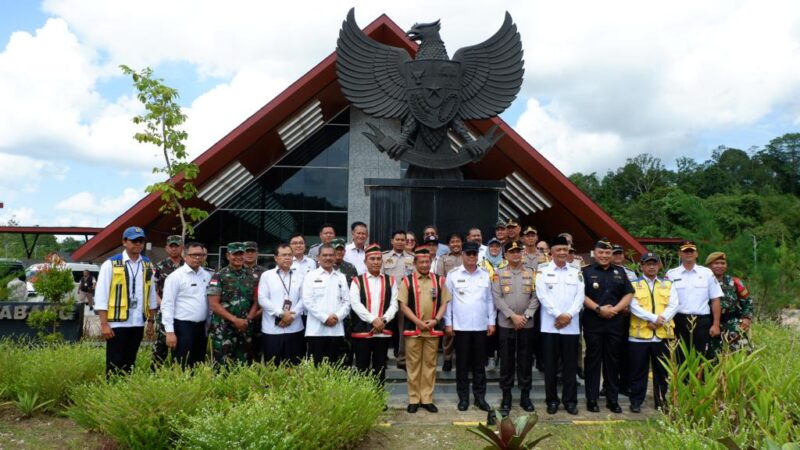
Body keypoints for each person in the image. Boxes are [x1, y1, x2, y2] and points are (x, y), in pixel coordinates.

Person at [94, 226, 158, 375]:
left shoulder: (147, 264)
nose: (138, 244)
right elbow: (101, 295)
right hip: (117, 323)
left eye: (141, 241)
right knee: (114, 362)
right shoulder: (111, 264)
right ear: (124, 242)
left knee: (130, 361)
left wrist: (150, 321)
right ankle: (112, 387)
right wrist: (104, 324)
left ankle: (126, 387)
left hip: (137, 322)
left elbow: (151, 293)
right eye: (134, 241)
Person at [581, 239, 635, 414]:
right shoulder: (586, 271)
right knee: (593, 360)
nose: (604, 256)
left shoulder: (620, 272)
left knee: (613, 361)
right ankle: (592, 398)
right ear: (594, 253)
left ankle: (613, 399)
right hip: (593, 322)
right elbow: (581, 295)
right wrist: (599, 309)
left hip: (614, 323)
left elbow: (629, 293)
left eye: (607, 253)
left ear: (611, 254)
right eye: (601, 252)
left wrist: (615, 309)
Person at [444, 241, 496, 412]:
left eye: (474, 254)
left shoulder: (485, 275)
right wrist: (448, 323)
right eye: (469, 254)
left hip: (481, 326)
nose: (472, 257)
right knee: (462, 365)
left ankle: (480, 398)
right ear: (463, 255)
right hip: (461, 326)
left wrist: (491, 321)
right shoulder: (453, 275)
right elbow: (448, 301)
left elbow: (490, 300)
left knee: (479, 365)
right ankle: (463, 398)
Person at [535, 235, 584, 415]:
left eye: (565, 249)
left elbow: (580, 296)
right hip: (550, 326)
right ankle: (552, 400)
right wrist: (558, 315)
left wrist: (568, 315)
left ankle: (570, 401)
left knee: (570, 366)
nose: (562, 252)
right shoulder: (542, 271)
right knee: (550, 366)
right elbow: (542, 295)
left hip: (571, 326)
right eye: (559, 249)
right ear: (551, 252)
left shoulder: (576, 272)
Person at [399, 247, 449, 413]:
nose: (425, 265)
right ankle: (414, 399)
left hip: (432, 330)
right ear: (415, 263)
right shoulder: (407, 281)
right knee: (413, 365)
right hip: (414, 329)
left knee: (430, 365)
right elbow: (403, 305)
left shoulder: (439, 281)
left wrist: (436, 320)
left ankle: (427, 399)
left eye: (427, 262)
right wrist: (418, 322)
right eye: (421, 262)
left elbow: (444, 303)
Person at [493, 240, 539, 416]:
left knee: (525, 360)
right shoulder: (498, 274)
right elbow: (497, 297)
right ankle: (506, 396)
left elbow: (536, 296)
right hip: (506, 324)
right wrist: (512, 316)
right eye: (512, 252)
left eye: (518, 251)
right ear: (505, 255)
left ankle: (525, 396)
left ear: (522, 253)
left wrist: (526, 316)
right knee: (506, 361)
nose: (515, 254)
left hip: (526, 324)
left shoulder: (531, 273)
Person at [628, 252, 678, 412]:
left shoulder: (668, 284)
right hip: (639, 336)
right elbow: (633, 306)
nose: (651, 267)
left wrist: (660, 320)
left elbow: (674, 305)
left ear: (659, 266)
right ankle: (636, 402)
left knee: (662, 372)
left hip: (662, 335)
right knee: (638, 372)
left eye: (654, 264)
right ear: (641, 266)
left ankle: (661, 401)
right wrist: (653, 318)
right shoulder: (634, 284)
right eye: (648, 264)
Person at [349, 243, 399, 385]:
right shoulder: (357, 281)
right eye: (372, 259)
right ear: (365, 261)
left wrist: (383, 320)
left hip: (383, 331)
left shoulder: (391, 280)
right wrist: (373, 320)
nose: (376, 262)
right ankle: (363, 397)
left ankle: (378, 396)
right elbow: (355, 304)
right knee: (362, 368)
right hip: (362, 331)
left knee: (380, 368)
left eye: (378, 259)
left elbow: (394, 304)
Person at [666, 240, 723, 360]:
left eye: (691, 251)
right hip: (679, 321)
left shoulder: (707, 273)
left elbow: (715, 300)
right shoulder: (671, 274)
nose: (689, 254)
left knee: (701, 357)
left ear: (696, 253)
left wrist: (716, 324)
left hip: (701, 322)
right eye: (685, 251)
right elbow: (665, 300)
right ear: (679, 254)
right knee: (680, 357)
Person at [208, 242, 260, 365]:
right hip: (224, 330)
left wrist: (248, 319)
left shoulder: (252, 276)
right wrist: (235, 320)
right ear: (227, 256)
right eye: (235, 254)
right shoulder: (218, 276)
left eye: (241, 254)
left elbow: (256, 301)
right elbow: (214, 304)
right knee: (222, 366)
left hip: (245, 328)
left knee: (244, 365)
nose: (238, 257)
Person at [161, 242, 211, 368]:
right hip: (183, 327)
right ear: (185, 255)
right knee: (182, 363)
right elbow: (167, 305)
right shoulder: (175, 277)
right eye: (194, 255)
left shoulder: (206, 275)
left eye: (201, 255)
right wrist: (170, 331)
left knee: (198, 363)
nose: (198, 258)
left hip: (201, 327)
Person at [257, 243, 305, 365]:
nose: (287, 257)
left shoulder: (300, 276)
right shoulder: (267, 275)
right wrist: (281, 314)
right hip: (272, 330)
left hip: (295, 328)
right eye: (283, 255)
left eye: (289, 255)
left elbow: (304, 299)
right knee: (272, 367)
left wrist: (292, 316)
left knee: (294, 367)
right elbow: (262, 299)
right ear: (276, 258)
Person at [303, 244, 350, 365]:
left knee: (335, 367)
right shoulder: (310, 276)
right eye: (324, 255)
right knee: (315, 368)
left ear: (335, 257)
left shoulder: (341, 277)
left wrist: (337, 317)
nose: (328, 258)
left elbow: (347, 302)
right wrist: (324, 318)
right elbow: (307, 301)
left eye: (331, 255)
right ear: (318, 257)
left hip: (336, 330)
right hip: (316, 331)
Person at [706, 252, 754, 354]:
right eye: (716, 263)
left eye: (722, 263)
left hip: (732, 324)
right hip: (710, 324)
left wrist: (746, 318)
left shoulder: (734, 282)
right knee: (714, 356)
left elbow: (748, 301)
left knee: (743, 353)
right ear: (709, 266)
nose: (720, 266)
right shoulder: (702, 282)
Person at [382, 230, 414, 369]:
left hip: (404, 298)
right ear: (392, 241)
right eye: (398, 239)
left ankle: (402, 358)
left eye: (403, 240)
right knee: (384, 327)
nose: (400, 242)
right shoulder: (384, 257)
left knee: (402, 329)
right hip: (387, 298)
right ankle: (382, 356)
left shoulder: (412, 258)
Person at [151, 234, 184, 368]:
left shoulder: (187, 265)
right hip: (164, 311)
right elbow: (152, 290)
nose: (174, 249)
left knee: (181, 343)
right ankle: (156, 371)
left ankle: (178, 370)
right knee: (161, 343)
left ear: (182, 248)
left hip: (183, 311)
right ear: (166, 248)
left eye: (177, 246)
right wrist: (163, 304)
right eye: (172, 246)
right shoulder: (159, 266)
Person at [435, 232, 463, 372]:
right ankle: (447, 358)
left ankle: (463, 358)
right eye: (452, 242)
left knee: (463, 330)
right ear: (448, 245)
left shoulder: (467, 256)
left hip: (465, 298)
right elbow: (440, 278)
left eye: (458, 241)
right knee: (448, 330)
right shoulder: (443, 258)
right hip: (449, 297)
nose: (455, 244)